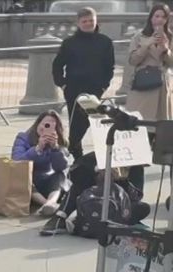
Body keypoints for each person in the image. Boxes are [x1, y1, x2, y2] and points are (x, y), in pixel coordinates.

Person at [51, 7, 114, 159]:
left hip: (95, 89)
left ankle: (71, 148)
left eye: (91, 20)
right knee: (75, 123)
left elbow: (109, 67)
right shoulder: (69, 43)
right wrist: (63, 84)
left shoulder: (105, 42)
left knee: (87, 121)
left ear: (96, 20)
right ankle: (76, 154)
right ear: (78, 23)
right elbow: (57, 65)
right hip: (73, 88)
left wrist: (104, 86)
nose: (88, 24)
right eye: (84, 21)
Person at [125, 4, 172, 193]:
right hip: (143, 93)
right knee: (139, 141)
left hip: (163, 93)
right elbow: (132, 60)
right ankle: (135, 191)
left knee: (164, 142)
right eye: (156, 16)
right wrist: (147, 44)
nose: (159, 20)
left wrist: (166, 49)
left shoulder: (170, 37)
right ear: (150, 18)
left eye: (162, 17)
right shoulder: (139, 36)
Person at [11, 110, 71, 223]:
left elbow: (61, 167)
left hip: (48, 182)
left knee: (61, 175)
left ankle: (50, 203)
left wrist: (55, 149)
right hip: (28, 183)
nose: (46, 129)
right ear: (38, 124)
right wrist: (38, 148)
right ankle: (47, 204)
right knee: (24, 176)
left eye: (52, 126)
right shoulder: (23, 138)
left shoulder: (60, 142)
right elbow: (17, 161)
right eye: (45, 124)